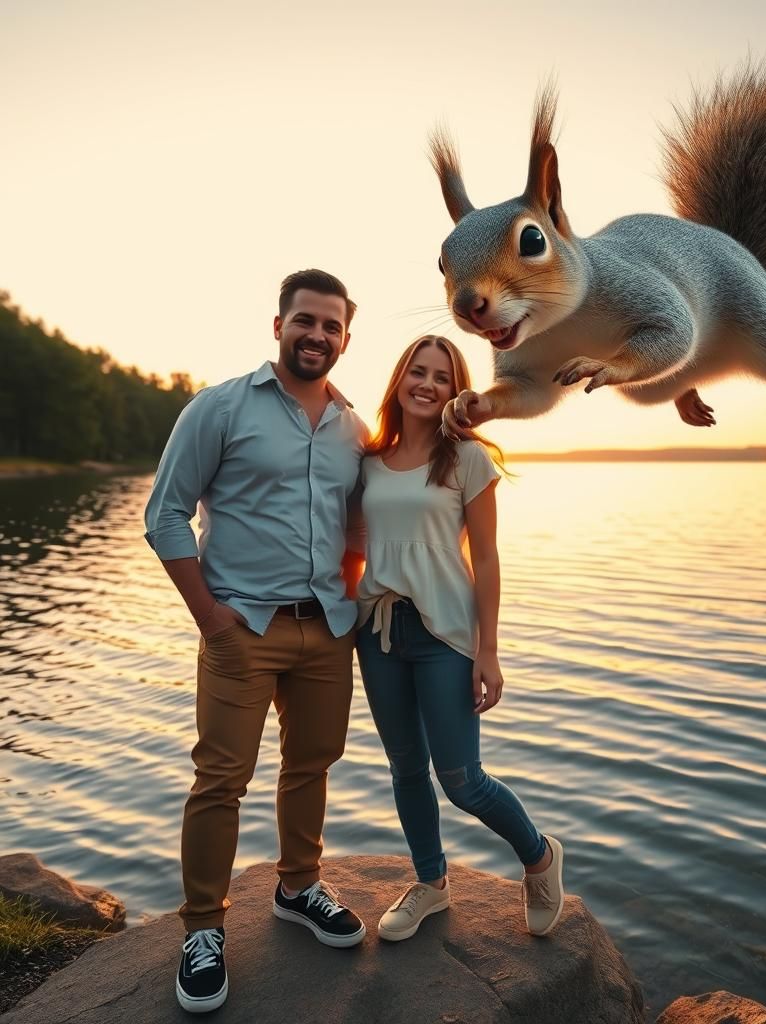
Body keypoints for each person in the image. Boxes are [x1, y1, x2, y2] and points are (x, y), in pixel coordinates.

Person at [144, 269, 368, 1014]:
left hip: (327, 631)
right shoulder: (220, 407)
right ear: (279, 326)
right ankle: (204, 930)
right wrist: (209, 616)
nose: (317, 336)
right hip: (243, 628)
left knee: (311, 765)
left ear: (345, 335)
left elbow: (360, 526)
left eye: (332, 326)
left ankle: (298, 887)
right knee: (221, 777)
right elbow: (165, 514)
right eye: (306, 321)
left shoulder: (351, 425)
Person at [355, 333, 564, 943]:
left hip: (444, 632)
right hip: (378, 632)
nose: (426, 383)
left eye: (441, 377)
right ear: (398, 381)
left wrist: (489, 650)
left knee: (462, 779)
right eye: (416, 372)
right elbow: (352, 544)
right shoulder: (367, 461)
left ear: (456, 390)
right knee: (404, 769)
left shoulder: (468, 459)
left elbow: (489, 559)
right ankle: (431, 884)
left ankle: (539, 856)